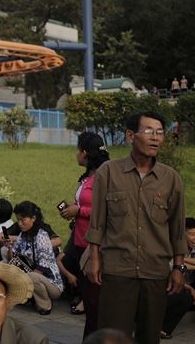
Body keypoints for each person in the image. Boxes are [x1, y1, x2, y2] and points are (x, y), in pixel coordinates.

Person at [85, 111, 187, 344]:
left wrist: (179, 268)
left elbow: (177, 228)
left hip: (155, 272)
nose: (156, 138)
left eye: (160, 132)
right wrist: (94, 259)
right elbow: (97, 222)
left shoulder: (171, 178)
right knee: (112, 337)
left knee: (149, 337)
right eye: (149, 131)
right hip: (117, 270)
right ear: (130, 136)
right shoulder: (108, 172)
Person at [59, 132, 109, 337]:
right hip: (80, 241)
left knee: (95, 303)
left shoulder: (103, 176)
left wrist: (79, 211)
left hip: (94, 246)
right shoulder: (89, 175)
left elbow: (105, 210)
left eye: (78, 149)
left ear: (85, 152)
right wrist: (73, 208)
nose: (76, 153)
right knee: (89, 300)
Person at [8, 201, 63, 315]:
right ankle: (32, 297)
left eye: (22, 220)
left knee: (31, 276)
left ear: (33, 218)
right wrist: (9, 247)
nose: (19, 223)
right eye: (18, 220)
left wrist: (24, 281)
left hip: (53, 285)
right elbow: (12, 257)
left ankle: (45, 305)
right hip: (37, 277)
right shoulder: (23, 235)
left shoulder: (41, 235)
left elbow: (43, 266)